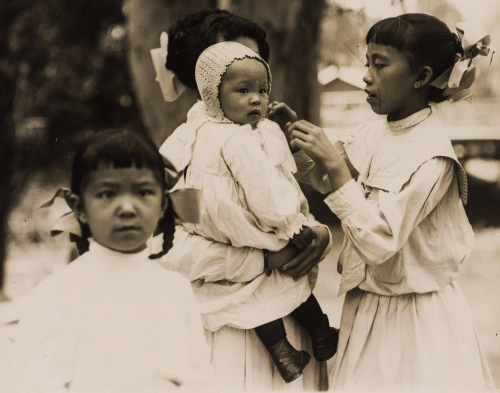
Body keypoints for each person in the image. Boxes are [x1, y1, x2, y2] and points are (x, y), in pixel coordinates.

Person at [287, 14, 496, 391]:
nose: (366, 75)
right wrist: (295, 145)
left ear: (421, 76)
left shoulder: (433, 157)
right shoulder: (371, 133)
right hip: (368, 309)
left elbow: (379, 241)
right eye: (366, 62)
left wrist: (336, 170)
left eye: (379, 64)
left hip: (417, 321)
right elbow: (323, 180)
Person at [154, 9, 334, 391]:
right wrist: (261, 258)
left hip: (288, 311)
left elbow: (293, 195)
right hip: (224, 332)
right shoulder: (178, 150)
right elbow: (164, 248)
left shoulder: (263, 135)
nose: (254, 95)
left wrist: (319, 234)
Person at [13, 130, 218, 393]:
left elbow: (199, 376)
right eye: (107, 194)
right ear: (79, 208)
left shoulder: (175, 288)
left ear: (163, 204)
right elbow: (35, 384)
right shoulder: (58, 292)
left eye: (143, 192)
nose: (127, 207)